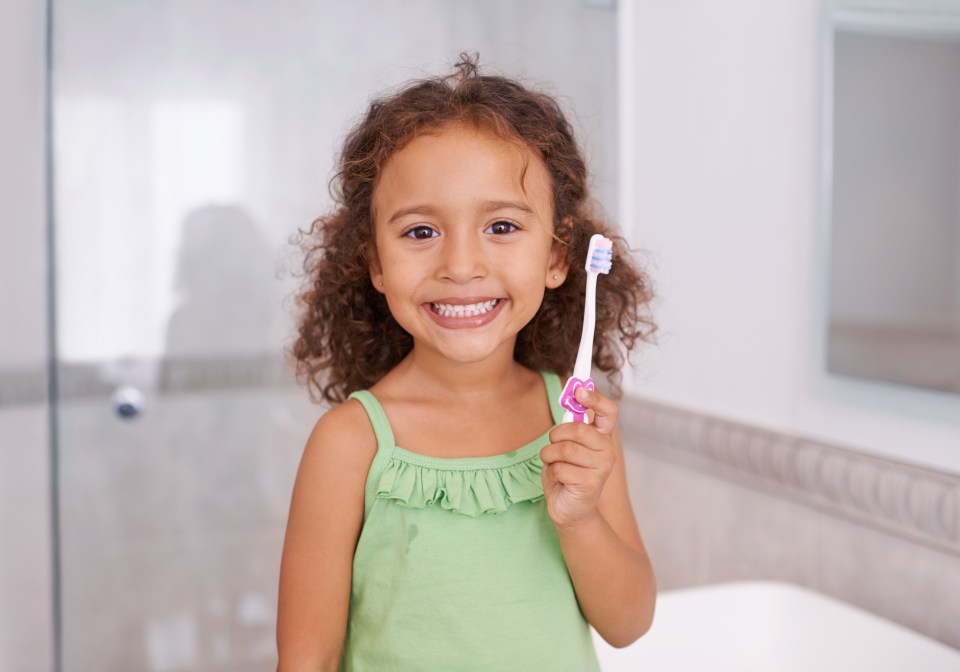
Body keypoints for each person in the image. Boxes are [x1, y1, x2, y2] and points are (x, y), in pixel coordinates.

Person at [277, 54, 658, 672]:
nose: (460, 265)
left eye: (501, 226)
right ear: (374, 262)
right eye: (421, 232)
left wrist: (580, 518)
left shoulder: (572, 421)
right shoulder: (349, 444)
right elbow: (305, 661)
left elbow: (629, 623)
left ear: (558, 257)